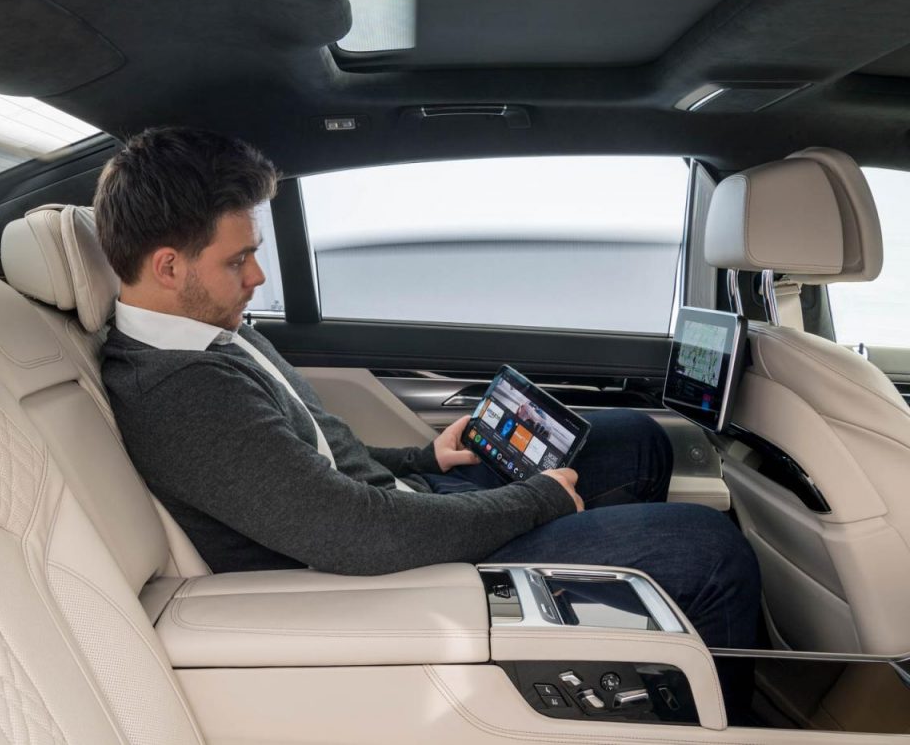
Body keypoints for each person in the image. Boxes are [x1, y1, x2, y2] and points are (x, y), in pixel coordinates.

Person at [97, 126, 760, 650]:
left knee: (638, 441)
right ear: (168, 266)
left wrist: (424, 459)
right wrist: (535, 502)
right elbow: (355, 534)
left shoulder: (209, 331)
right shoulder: (180, 393)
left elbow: (307, 459)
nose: (258, 277)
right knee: (708, 549)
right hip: (394, 572)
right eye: (238, 260)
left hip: (399, 507)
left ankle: (617, 638)